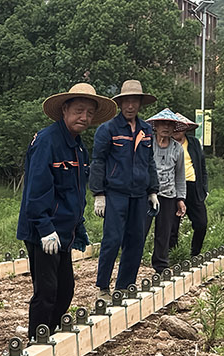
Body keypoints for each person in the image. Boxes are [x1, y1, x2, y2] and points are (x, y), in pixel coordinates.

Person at [18, 83, 114, 336]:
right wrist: (45, 228)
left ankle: (52, 333)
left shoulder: (78, 146)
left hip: (64, 230)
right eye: (79, 110)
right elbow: (36, 189)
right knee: (47, 291)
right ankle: (37, 340)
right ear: (65, 110)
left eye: (90, 113)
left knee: (66, 289)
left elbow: (74, 191)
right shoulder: (47, 141)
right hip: (44, 230)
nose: (84, 117)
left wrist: (77, 224)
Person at [89, 78, 159, 294]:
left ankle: (125, 285)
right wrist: (98, 193)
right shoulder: (108, 129)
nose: (130, 106)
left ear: (140, 103)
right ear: (120, 103)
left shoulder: (146, 130)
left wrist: (153, 191)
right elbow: (98, 161)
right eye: (126, 101)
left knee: (136, 240)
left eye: (134, 101)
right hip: (115, 194)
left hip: (139, 195)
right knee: (112, 240)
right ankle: (103, 287)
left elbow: (149, 161)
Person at [147, 108, 188, 274]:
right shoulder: (147, 144)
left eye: (170, 124)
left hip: (168, 195)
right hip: (148, 194)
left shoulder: (177, 149)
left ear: (174, 128)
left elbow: (180, 175)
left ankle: (161, 266)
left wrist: (181, 199)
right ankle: (132, 264)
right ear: (155, 125)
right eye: (162, 123)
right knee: (140, 230)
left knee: (164, 232)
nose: (166, 127)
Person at [179, 114, 210, 255]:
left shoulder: (194, 143)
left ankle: (195, 253)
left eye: (181, 127)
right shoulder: (166, 144)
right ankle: (172, 256)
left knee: (201, 223)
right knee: (172, 226)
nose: (177, 131)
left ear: (185, 129)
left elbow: (202, 166)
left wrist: (204, 188)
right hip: (174, 188)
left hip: (193, 186)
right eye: (175, 127)